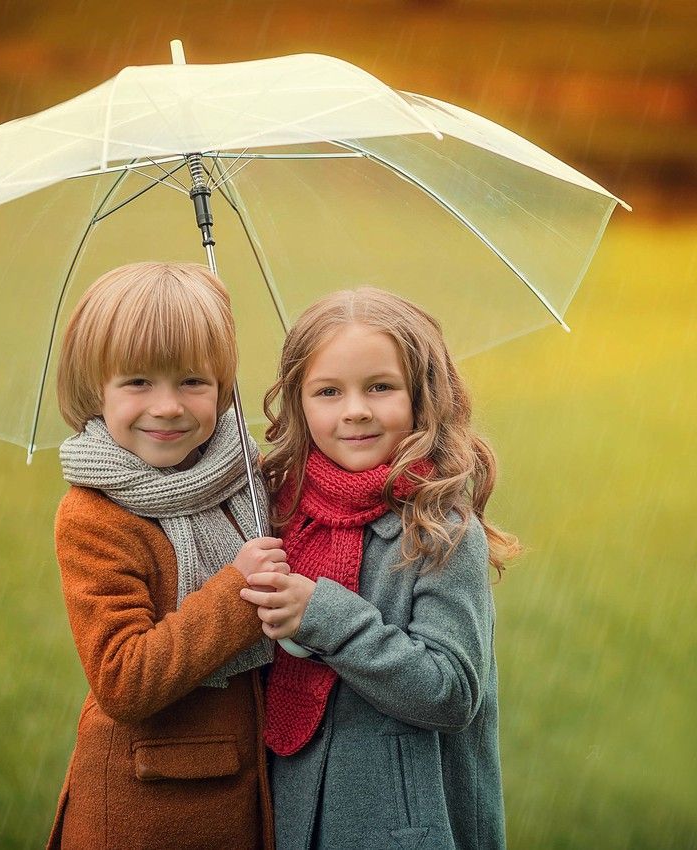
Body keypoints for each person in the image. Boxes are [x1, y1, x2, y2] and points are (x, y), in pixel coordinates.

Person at [239, 287, 520, 850]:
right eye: (328, 391)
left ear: (423, 396)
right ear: (298, 402)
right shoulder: (277, 511)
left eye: (380, 387)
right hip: (292, 819)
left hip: (406, 828)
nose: (355, 410)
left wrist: (322, 615)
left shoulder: (441, 532)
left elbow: (450, 691)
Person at [46, 261, 283, 850]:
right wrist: (237, 592)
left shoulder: (243, 478)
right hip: (148, 812)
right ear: (94, 389)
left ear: (225, 387)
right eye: (138, 382)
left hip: (245, 798)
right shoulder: (94, 515)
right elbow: (122, 679)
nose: (169, 406)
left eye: (192, 381)